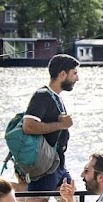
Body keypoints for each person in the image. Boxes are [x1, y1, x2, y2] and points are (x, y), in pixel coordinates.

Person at [22, 54, 79, 192]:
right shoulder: (42, 95)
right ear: (62, 74)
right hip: (46, 166)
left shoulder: (56, 97)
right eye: (74, 73)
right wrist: (61, 125)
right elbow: (28, 126)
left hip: (58, 163)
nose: (77, 78)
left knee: (72, 200)